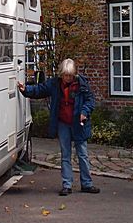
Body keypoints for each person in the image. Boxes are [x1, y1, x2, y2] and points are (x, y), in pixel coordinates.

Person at [19, 58, 99, 196]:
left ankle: (87, 183)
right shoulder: (55, 84)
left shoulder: (82, 84)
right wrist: (26, 89)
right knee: (65, 154)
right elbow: (41, 89)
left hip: (79, 124)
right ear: (61, 74)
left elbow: (90, 100)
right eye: (65, 75)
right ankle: (67, 185)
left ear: (74, 74)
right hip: (63, 123)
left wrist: (84, 112)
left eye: (70, 75)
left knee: (82, 154)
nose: (67, 78)